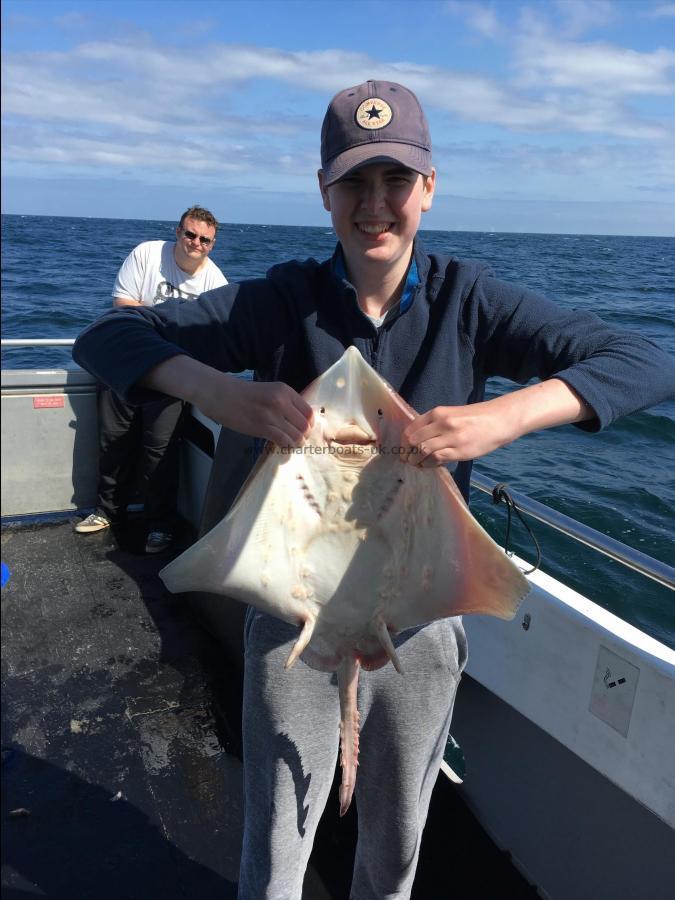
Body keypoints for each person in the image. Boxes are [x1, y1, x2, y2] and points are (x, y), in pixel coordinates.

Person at [73, 81, 675, 898]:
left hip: (417, 615)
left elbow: (643, 361)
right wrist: (215, 391)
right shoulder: (281, 300)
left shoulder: (471, 301)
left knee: (396, 845)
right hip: (293, 610)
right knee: (279, 836)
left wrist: (502, 418)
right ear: (324, 191)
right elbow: (107, 332)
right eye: (354, 181)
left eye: (396, 180)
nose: (375, 204)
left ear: (429, 186)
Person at [74, 205, 227, 553]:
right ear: (177, 232)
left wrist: (151, 321)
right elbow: (121, 305)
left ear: (213, 244)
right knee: (113, 440)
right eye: (190, 234)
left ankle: (160, 525)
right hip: (124, 365)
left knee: (161, 452)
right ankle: (106, 512)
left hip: (172, 375)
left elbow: (215, 338)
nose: (195, 243)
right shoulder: (147, 254)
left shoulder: (215, 282)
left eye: (205, 239)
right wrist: (176, 330)